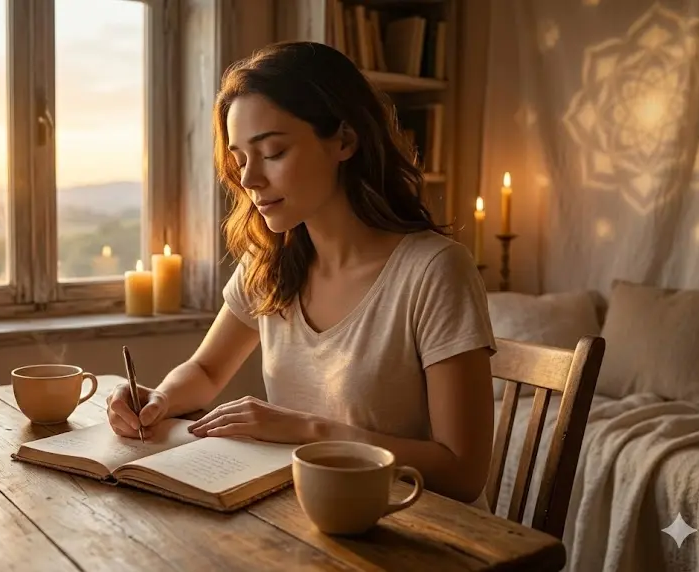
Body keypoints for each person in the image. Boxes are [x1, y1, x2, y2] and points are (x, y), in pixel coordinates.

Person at [106, 41, 497, 508]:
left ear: (345, 141)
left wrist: (306, 431)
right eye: (240, 159)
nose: (249, 180)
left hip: (413, 529)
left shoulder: (434, 271)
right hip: (305, 518)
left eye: (271, 152)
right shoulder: (270, 263)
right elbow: (207, 369)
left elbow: (463, 473)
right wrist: (161, 399)